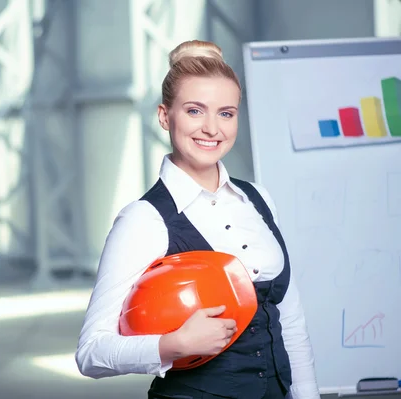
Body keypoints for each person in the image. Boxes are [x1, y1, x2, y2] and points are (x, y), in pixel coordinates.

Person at [74, 40, 320, 399]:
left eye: (226, 113)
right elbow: (91, 353)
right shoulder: (143, 220)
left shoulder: (258, 198)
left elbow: (290, 318)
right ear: (164, 116)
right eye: (194, 111)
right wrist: (173, 344)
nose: (212, 128)